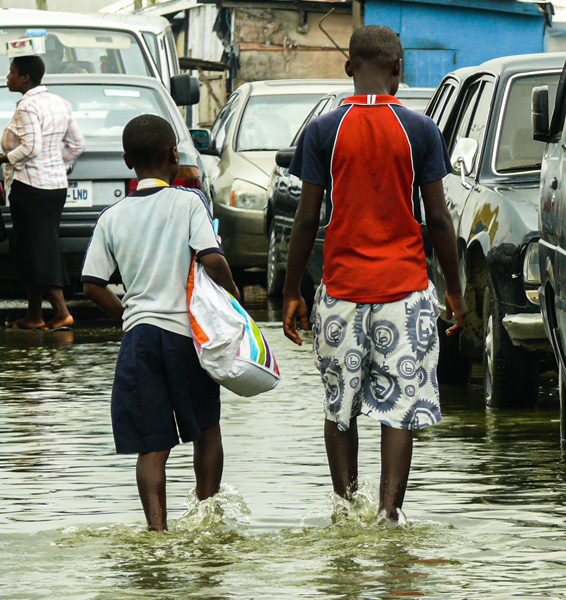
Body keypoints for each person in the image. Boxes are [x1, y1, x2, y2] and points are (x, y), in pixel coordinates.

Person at [282, 25, 466, 524]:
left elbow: (306, 219)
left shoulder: (323, 131)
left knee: (340, 408)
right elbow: (440, 220)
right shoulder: (420, 130)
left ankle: (346, 512)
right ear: (398, 71)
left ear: (348, 68)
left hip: (340, 292)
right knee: (399, 406)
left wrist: (290, 290)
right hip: (405, 294)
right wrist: (454, 288)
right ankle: (389, 512)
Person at [81, 115, 241, 531]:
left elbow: (92, 284)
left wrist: (128, 316)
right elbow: (211, 257)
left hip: (139, 343)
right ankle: (206, 518)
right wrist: (235, 297)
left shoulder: (111, 217)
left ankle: (157, 531)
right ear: (174, 155)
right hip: (184, 339)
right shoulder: (188, 202)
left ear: (126, 160)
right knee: (206, 429)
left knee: (152, 446)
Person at [3, 55, 86, 331]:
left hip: (30, 188)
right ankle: (34, 315)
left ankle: (62, 313)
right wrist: (56, 165)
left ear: (26, 77)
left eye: (12, 72)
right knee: (34, 247)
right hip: (54, 187)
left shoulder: (27, 107)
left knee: (39, 250)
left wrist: (3, 159)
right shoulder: (59, 103)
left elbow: (30, 149)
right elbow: (77, 144)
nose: (8, 77)